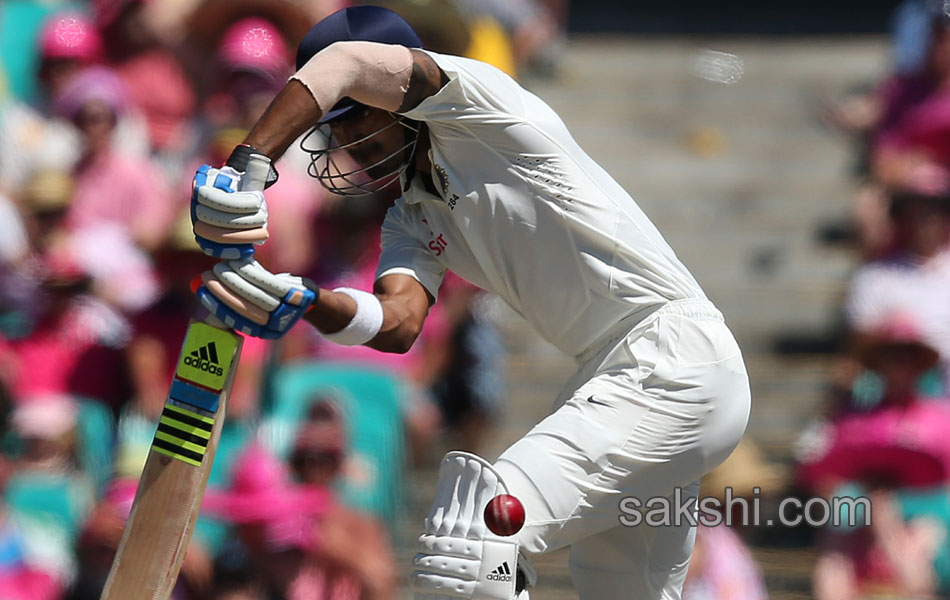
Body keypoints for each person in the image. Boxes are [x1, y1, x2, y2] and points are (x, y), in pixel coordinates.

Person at [188, 6, 751, 599]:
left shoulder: (484, 107)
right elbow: (397, 322)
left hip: (671, 361)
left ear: (397, 96)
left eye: (357, 117)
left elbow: (345, 61)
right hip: (614, 375)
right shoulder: (412, 214)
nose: (349, 140)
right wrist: (304, 299)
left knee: (478, 532)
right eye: (338, 126)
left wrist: (246, 167)